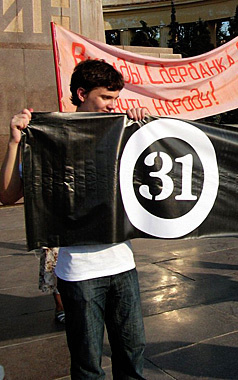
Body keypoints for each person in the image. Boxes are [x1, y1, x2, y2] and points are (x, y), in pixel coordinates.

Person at [0, 59, 148, 379]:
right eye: (106, 98)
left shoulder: (122, 132)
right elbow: (8, 195)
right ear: (82, 94)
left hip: (123, 266)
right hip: (79, 273)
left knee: (132, 356)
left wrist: (142, 128)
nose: (112, 107)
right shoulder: (47, 138)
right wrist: (14, 141)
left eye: (116, 100)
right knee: (87, 365)